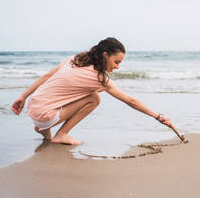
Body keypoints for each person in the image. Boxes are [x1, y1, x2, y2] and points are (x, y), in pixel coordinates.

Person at [11, 37, 173, 145]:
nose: (117, 67)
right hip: (44, 115)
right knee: (94, 98)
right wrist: (158, 117)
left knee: (78, 93)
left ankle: (44, 130)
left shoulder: (75, 59)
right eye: (116, 62)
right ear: (105, 55)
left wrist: (23, 96)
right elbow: (130, 101)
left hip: (33, 107)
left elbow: (46, 76)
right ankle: (61, 134)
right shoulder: (100, 79)